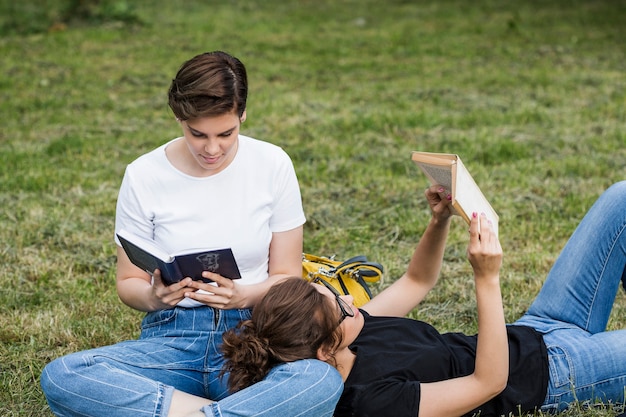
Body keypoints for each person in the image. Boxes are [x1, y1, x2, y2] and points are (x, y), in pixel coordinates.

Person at [40, 51, 342, 417]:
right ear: (178, 117)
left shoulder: (272, 164)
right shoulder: (143, 175)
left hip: (253, 333)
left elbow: (286, 275)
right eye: (197, 134)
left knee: (317, 379)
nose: (212, 148)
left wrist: (243, 294)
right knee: (65, 375)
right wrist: (155, 297)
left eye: (226, 133)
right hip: (171, 337)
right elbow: (128, 282)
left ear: (242, 114)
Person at [222, 181, 626, 417]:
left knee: (621, 198)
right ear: (326, 350)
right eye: (343, 308)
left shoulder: (344, 336)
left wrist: (439, 220)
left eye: (335, 293)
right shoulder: (372, 401)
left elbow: (417, 281)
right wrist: (487, 278)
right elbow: (489, 382)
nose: (352, 302)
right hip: (555, 375)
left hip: (536, 328)